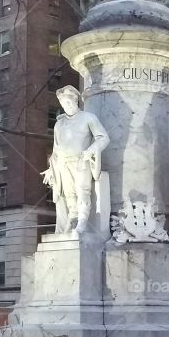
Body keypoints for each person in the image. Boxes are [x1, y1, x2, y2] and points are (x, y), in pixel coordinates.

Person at [42, 85, 110, 236]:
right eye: (63, 104)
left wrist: (90, 151)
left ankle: (82, 223)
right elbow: (56, 150)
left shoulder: (88, 118)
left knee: (82, 192)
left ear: (76, 101)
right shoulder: (59, 124)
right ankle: (73, 221)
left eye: (68, 102)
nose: (66, 106)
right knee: (69, 195)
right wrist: (51, 169)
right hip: (63, 164)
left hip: (81, 161)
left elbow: (104, 138)